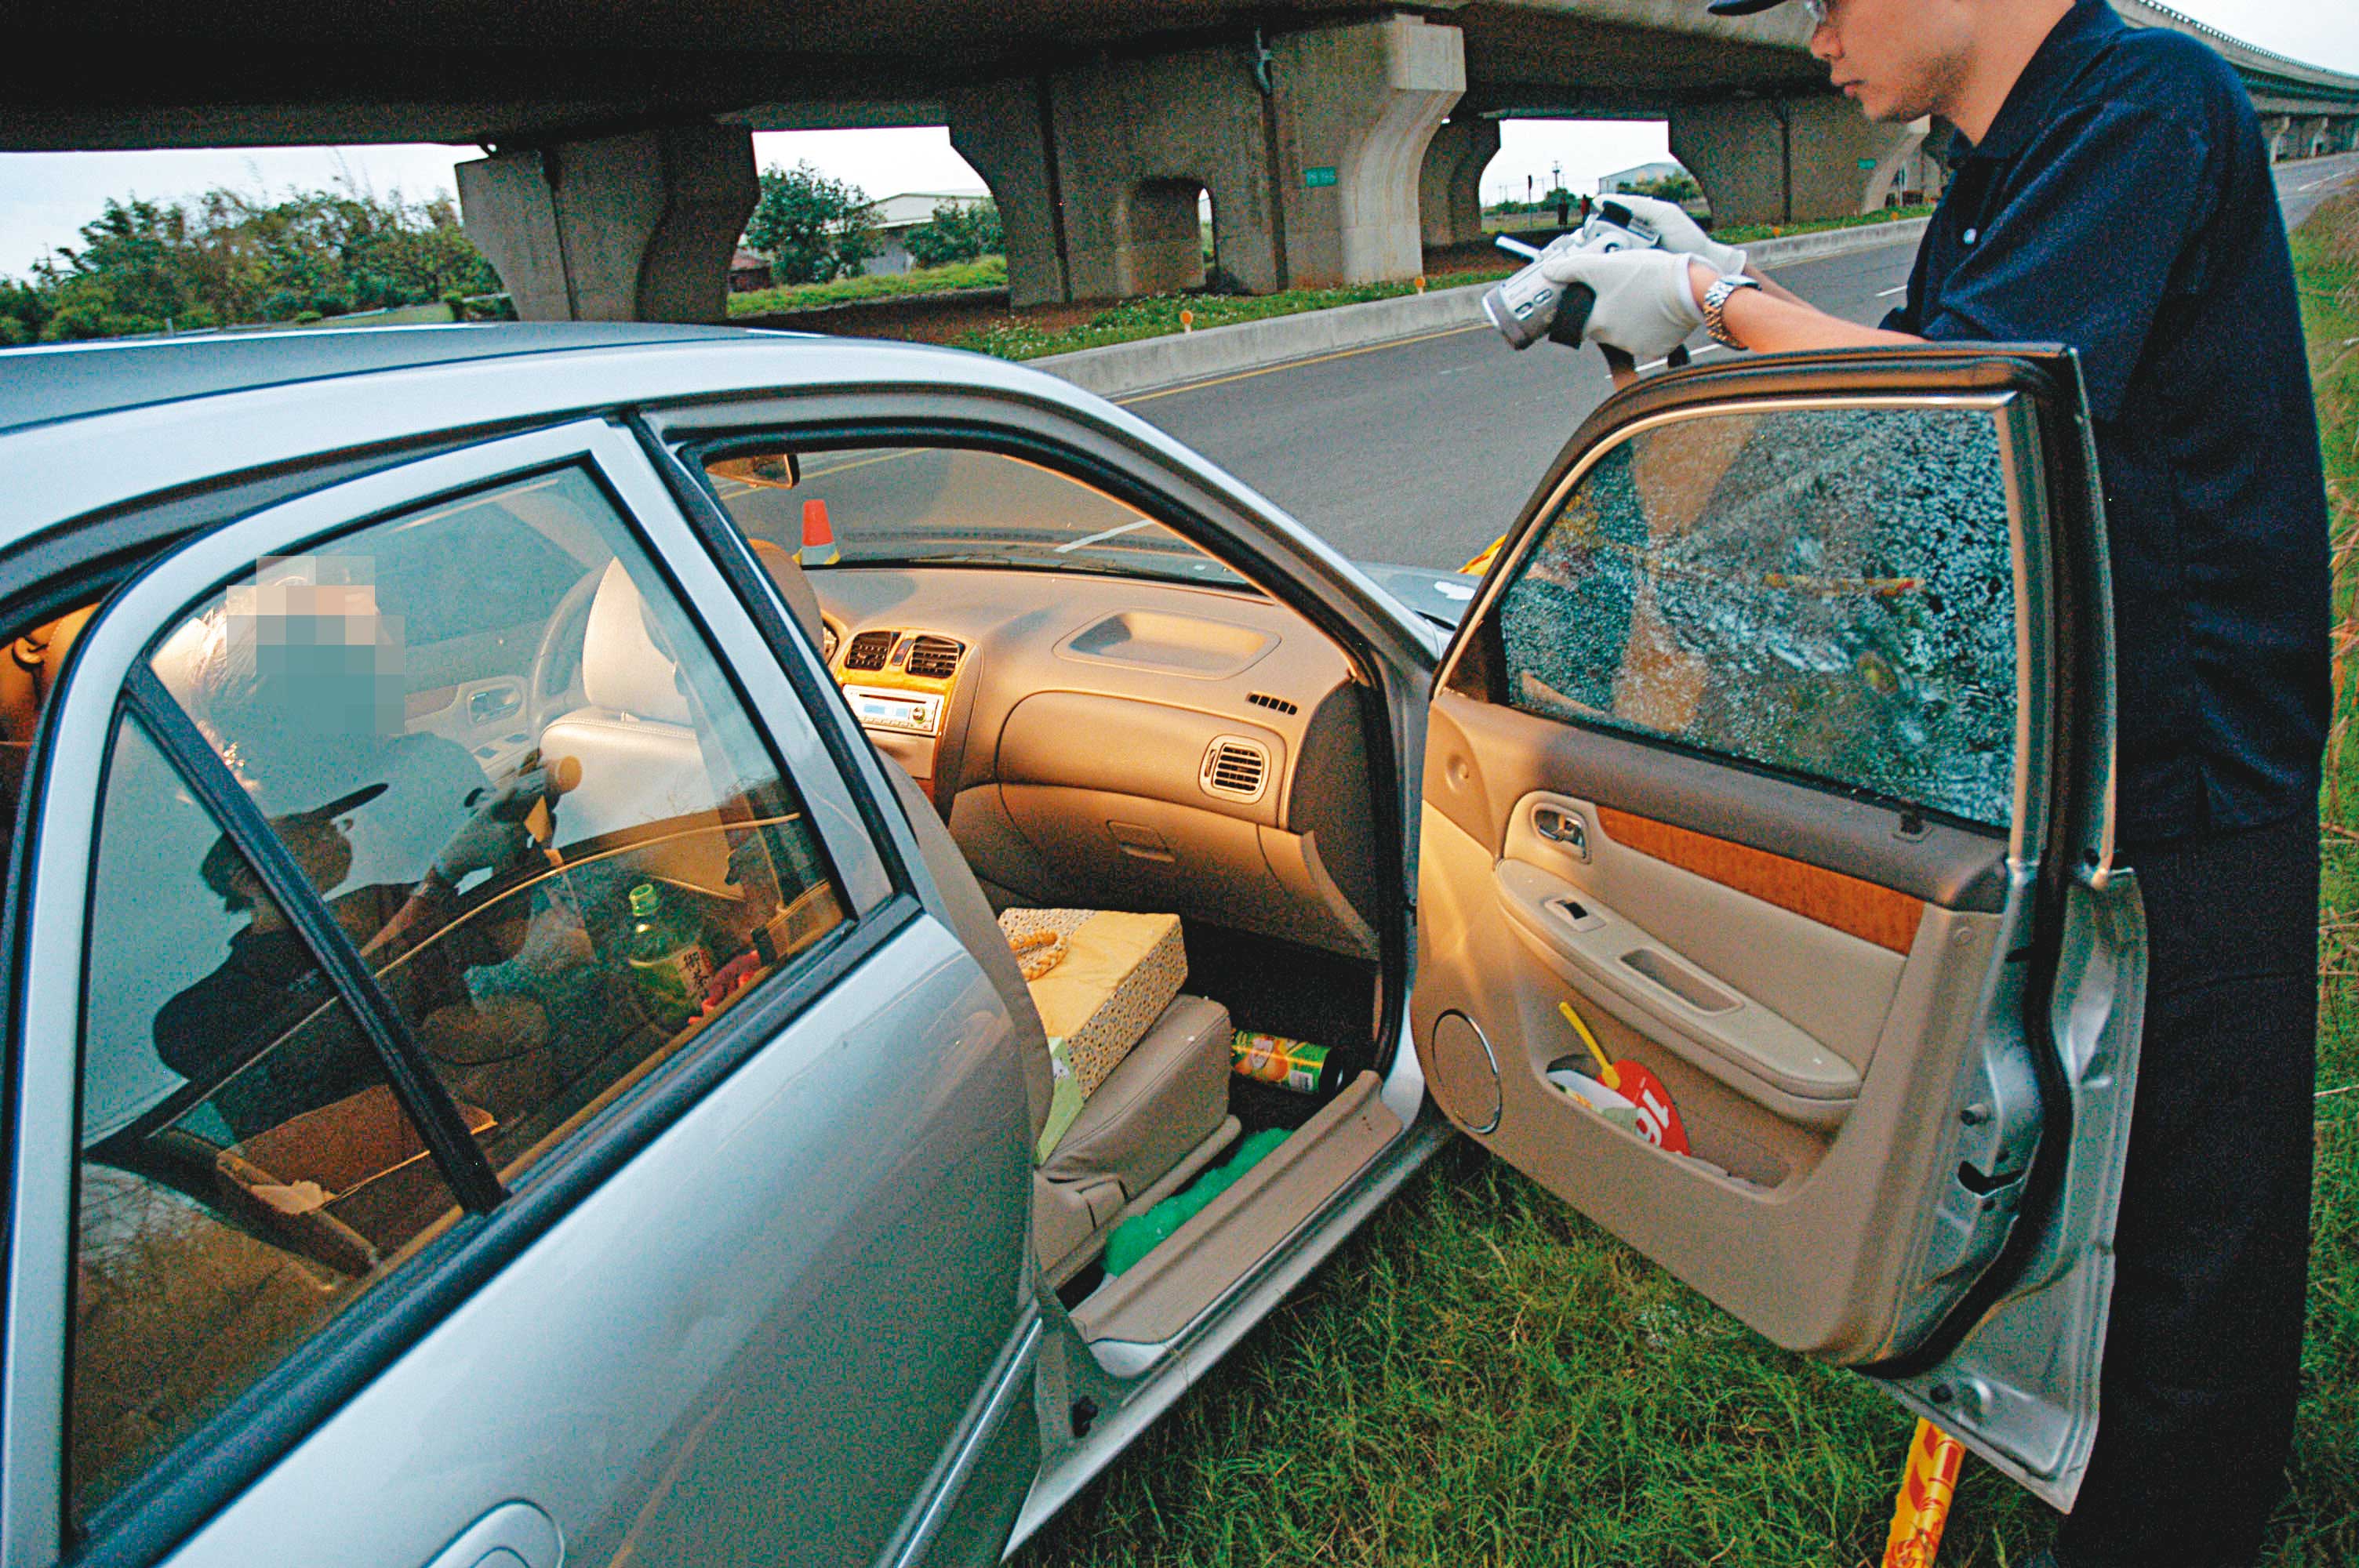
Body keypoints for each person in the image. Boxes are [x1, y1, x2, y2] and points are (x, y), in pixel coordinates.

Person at [1543, 2, 2330, 1565]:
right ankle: (2079, 1466)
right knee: (2073, 1172)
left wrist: (1720, 289)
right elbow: (1883, 443)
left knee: (2187, 1226)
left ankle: (2167, 1523)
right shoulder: (1998, 160)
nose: (1816, 37)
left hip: (2187, 759)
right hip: (2065, 753)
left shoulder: (2139, 100)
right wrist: (1708, 331)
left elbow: (1966, 404)